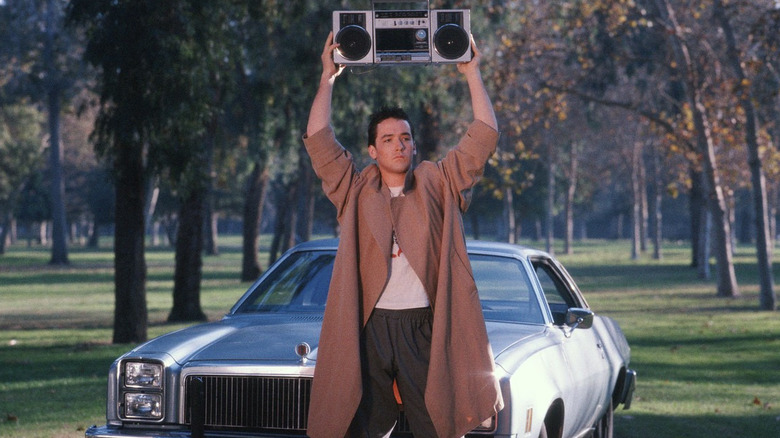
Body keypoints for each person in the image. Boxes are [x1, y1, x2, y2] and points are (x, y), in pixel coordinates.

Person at [303, 31, 504, 438]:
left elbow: (483, 134)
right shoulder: (356, 190)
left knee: (431, 423)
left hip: (423, 326)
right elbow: (321, 144)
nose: (399, 146)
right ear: (373, 151)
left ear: (414, 146)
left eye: (406, 138)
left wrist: (471, 73)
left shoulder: (437, 183)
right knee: (362, 425)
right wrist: (327, 78)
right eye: (388, 140)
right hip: (371, 327)